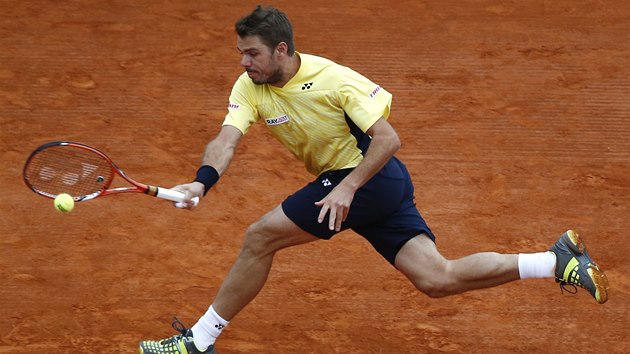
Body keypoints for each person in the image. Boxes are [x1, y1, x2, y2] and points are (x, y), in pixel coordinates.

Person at [138, 5, 609, 354]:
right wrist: (202, 181)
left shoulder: (333, 79)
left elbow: (387, 138)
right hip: (373, 187)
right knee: (436, 278)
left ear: (281, 49)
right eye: (241, 53)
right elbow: (226, 139)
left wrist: (348, 187)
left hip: (367, 178)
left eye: (252, 53)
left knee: (260, 237)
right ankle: (554, 261)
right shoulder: (251, 86)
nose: (244, 62)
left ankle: (198, 341)